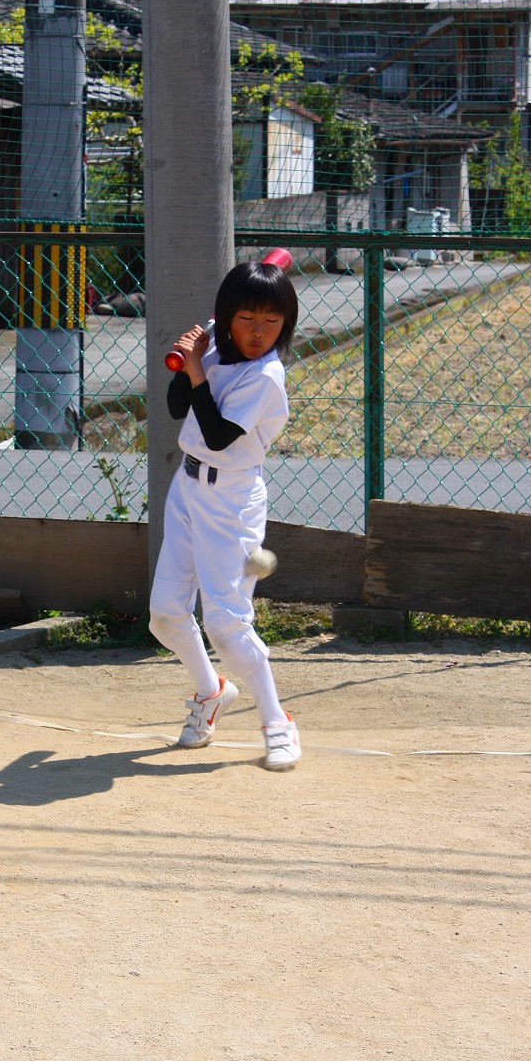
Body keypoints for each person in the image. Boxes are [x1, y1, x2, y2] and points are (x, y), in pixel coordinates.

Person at [148, 259, 302, 771]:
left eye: (271, 322)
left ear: (285, 325)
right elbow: (178, 407)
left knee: (225, 624)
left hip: (231, 500)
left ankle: (277, 722)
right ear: (227, 316)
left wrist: (196, 369)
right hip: (187, 487)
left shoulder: (266, 376)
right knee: (166, 614)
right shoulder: (216, 345)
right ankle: (211, 691)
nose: (258, 333)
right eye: (247, 319)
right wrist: (193, 357)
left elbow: (217, 435)